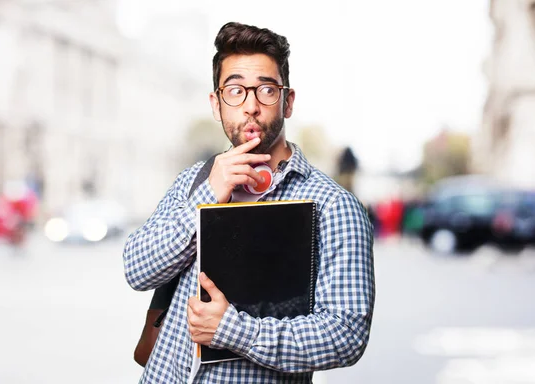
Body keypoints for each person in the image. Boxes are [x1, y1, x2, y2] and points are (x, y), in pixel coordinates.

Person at [123, 21, 375, 383]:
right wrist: (209, 196)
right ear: (217, 103)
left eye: (266, 91)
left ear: (287, 102)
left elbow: (346, 335)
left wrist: (235, 331)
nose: (251, 106)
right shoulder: (196, 180)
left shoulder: (334, 207)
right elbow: (137, 270)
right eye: (236, 90)